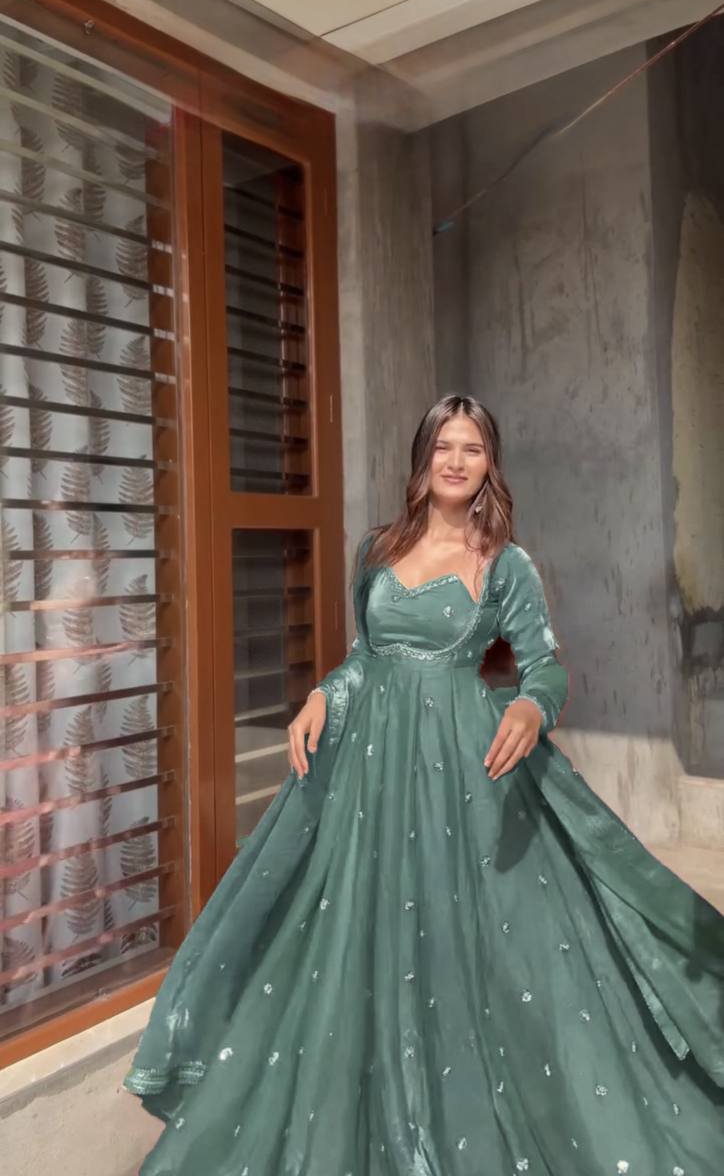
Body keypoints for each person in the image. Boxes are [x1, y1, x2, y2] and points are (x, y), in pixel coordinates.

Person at [125, 394, 724, 1175]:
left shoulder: (504, 563)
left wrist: (532, 709)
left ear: (489, 464)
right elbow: (366, 657)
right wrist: (323, 694)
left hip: (460, 774)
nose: (456, 460)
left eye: (473, 448)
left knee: (470, 943)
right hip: (370, 774)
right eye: (445, 446)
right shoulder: (378, 550)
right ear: (423, 458)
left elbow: (544, 667)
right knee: (349, 933)